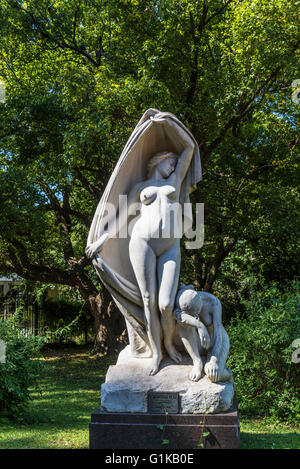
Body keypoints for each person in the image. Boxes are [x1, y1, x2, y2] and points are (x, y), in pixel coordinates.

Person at [173, 284, 231, 382]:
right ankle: (197, 361)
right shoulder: (181, 299)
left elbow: (218, 333)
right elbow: (178, 316)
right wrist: (200, 325)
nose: (196, 317)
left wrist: (213, 360)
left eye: (197, 315)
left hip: (216, 340)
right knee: (183, 324)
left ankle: (227, 374)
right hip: (199, 342)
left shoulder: (213, 302)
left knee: (214, 375)